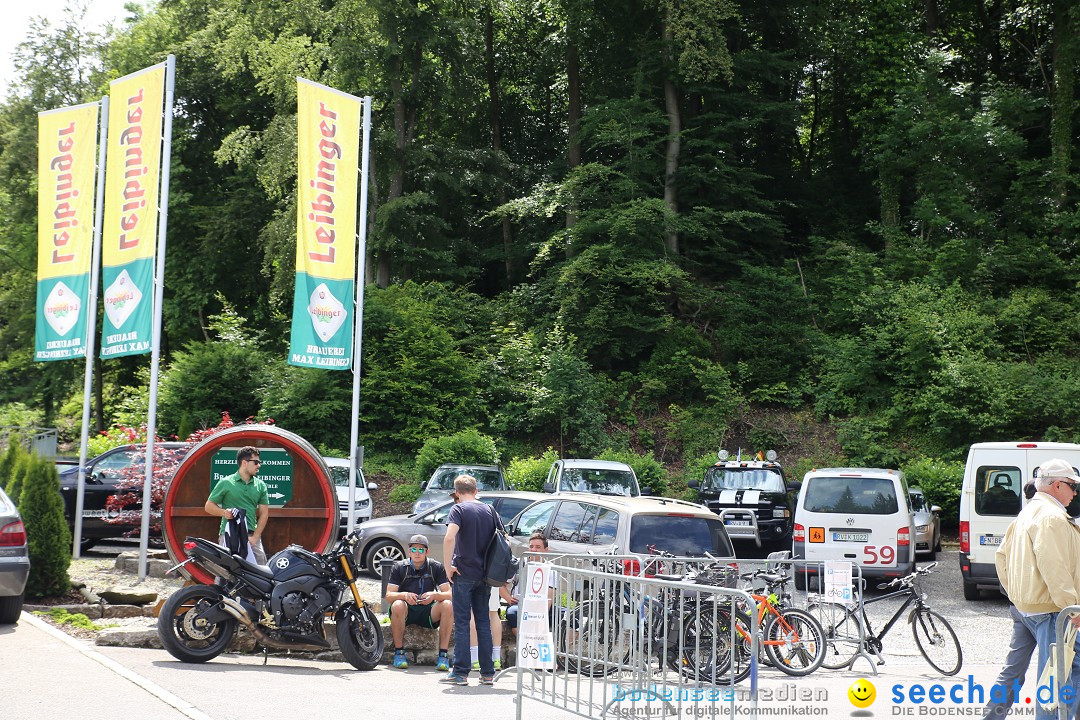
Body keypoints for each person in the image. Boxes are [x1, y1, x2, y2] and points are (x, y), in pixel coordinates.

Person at [996, 458, 1080, 720]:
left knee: (1031, 673)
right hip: (1053, 611)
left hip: (1029, 609)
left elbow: (1001, 557)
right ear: (1057, 485)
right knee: (1058, 678)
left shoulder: (1027, 513)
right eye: (1072, 486)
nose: (1075, 492)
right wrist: (1071, 609)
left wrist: (1018, 595)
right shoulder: (1052, 517)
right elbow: (1054, 566)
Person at [441, 475, 498, 685]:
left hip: (463, 573)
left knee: (463, 623)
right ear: (476, 490)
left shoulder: (458, 509)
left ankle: (461, 672)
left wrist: (448, 567)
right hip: (485, 575)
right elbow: (504, 539)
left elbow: (449, 537)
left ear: (457, 492)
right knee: (484, 623)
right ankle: (487, 673)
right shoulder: (490, 510)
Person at [384, 534, 453, 672]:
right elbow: (389, 596)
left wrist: (434, 595)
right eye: (414, 549)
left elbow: (450, 594)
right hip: (406, 610)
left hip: (428, 611)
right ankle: (399, 653)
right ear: (409, 551)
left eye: (421, 550)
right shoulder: (399, 567)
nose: (417, 553)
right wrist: (404, 595)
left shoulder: (436, 567)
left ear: (427, 552)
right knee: (397, 605)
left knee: (448, 605)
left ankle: (443, 656)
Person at [204, 446, 269, 564]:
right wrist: (224, 513)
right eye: (256, 462)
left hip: (251, 535)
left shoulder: (261, 485)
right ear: (244, 462)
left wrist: (255, 537)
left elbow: (264, 513)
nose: (259, 465)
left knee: (261, 570)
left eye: (259, 462)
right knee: (226, 571)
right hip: (229, 534)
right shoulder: (226, 482)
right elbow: (209, 506)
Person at [503, 531, 556, 638]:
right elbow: (499, 584)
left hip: (542, 607)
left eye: (538, 547)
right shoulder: (518, 564)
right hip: (520, 605)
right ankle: (525, 646)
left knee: (570, 616)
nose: (533, 550)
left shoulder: (552, 569)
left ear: (546, 550)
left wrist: (539, 616)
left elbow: (549, 598)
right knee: (513, 613)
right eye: (531, 546)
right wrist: (508, 598)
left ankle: (559, 651)